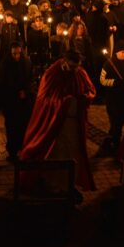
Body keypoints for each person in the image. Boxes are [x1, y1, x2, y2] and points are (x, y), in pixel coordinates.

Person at [19, 50, 96, 201]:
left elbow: (91, 90)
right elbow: (44, 98)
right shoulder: (51, 74)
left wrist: (85, 98)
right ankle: (53, 185)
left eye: (77, 67)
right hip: (55, 125)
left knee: (73, 154)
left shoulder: (79, 72)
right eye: (72, 67)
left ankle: (69, 184)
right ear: (64, 62)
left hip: (74, 124)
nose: (75, 70)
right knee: (57, 153)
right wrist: (65, 102)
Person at [0, 42, 33, 160]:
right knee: (11, 127)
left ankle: (23, 148)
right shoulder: (5, 64)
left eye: (18, 53)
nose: (17, 56)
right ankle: (12, 151)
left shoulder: (26, 63)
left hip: (23, 102)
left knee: (23, 125)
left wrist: (25, 91)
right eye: (14, 54)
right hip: (10, 101)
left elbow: (30, 80)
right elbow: (1, 82)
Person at [100, 41, 124, 154]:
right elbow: (102, 80)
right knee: (115, 119)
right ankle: (115, 141)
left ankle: (113, 136)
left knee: (121, 119)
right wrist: (115, 82)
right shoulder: (109, 64)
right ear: (116, 52)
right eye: (122, 52)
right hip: (113, 98)